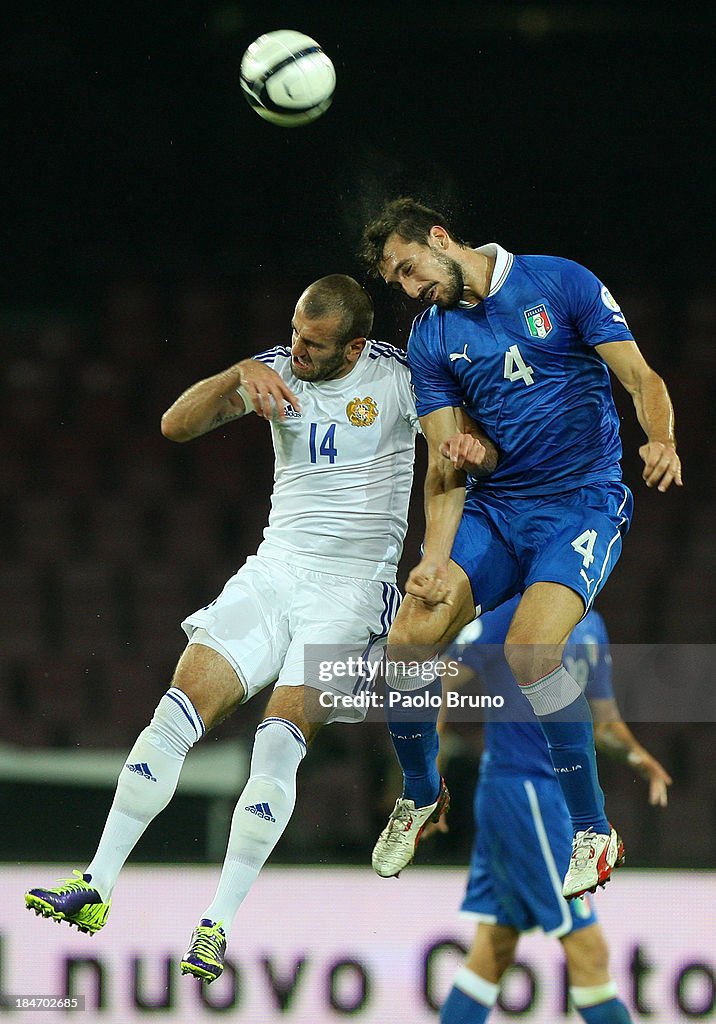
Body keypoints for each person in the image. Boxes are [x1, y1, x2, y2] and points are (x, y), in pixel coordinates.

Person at [23, 274, 497, 985]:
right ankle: (95, 884)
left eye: (312, 343)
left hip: (354, 597)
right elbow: (175, 426)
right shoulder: (275, 369)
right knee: (172, 717)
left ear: (354, 345)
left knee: (277, 746)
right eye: (294, 334)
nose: (296, 350)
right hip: (273, 573)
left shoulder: (401, 381)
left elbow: (462, 453)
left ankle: (215, 925)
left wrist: (460, 495)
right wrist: (237, 374)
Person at [359, 198, 681, 899]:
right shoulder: (431, 339)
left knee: (530, 653)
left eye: (411, 270)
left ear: (441, 238)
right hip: (500, 509)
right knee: (407, 639)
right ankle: (420, 794)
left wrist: (660, 438)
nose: (410, 290)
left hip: (582, 503)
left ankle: (594, 832)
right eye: (398, 284)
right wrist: (435, 558)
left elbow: (641, 380)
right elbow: (446, 463)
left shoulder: (559, 283)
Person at [437, 596, 672, 1024]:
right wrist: (427, 783)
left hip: (545, 799)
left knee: (493, 949)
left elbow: (603, 723)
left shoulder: (592, 625)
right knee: (589, 951)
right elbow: (440, 683)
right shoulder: (507, 616)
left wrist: (641, 758)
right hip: (526, 793)